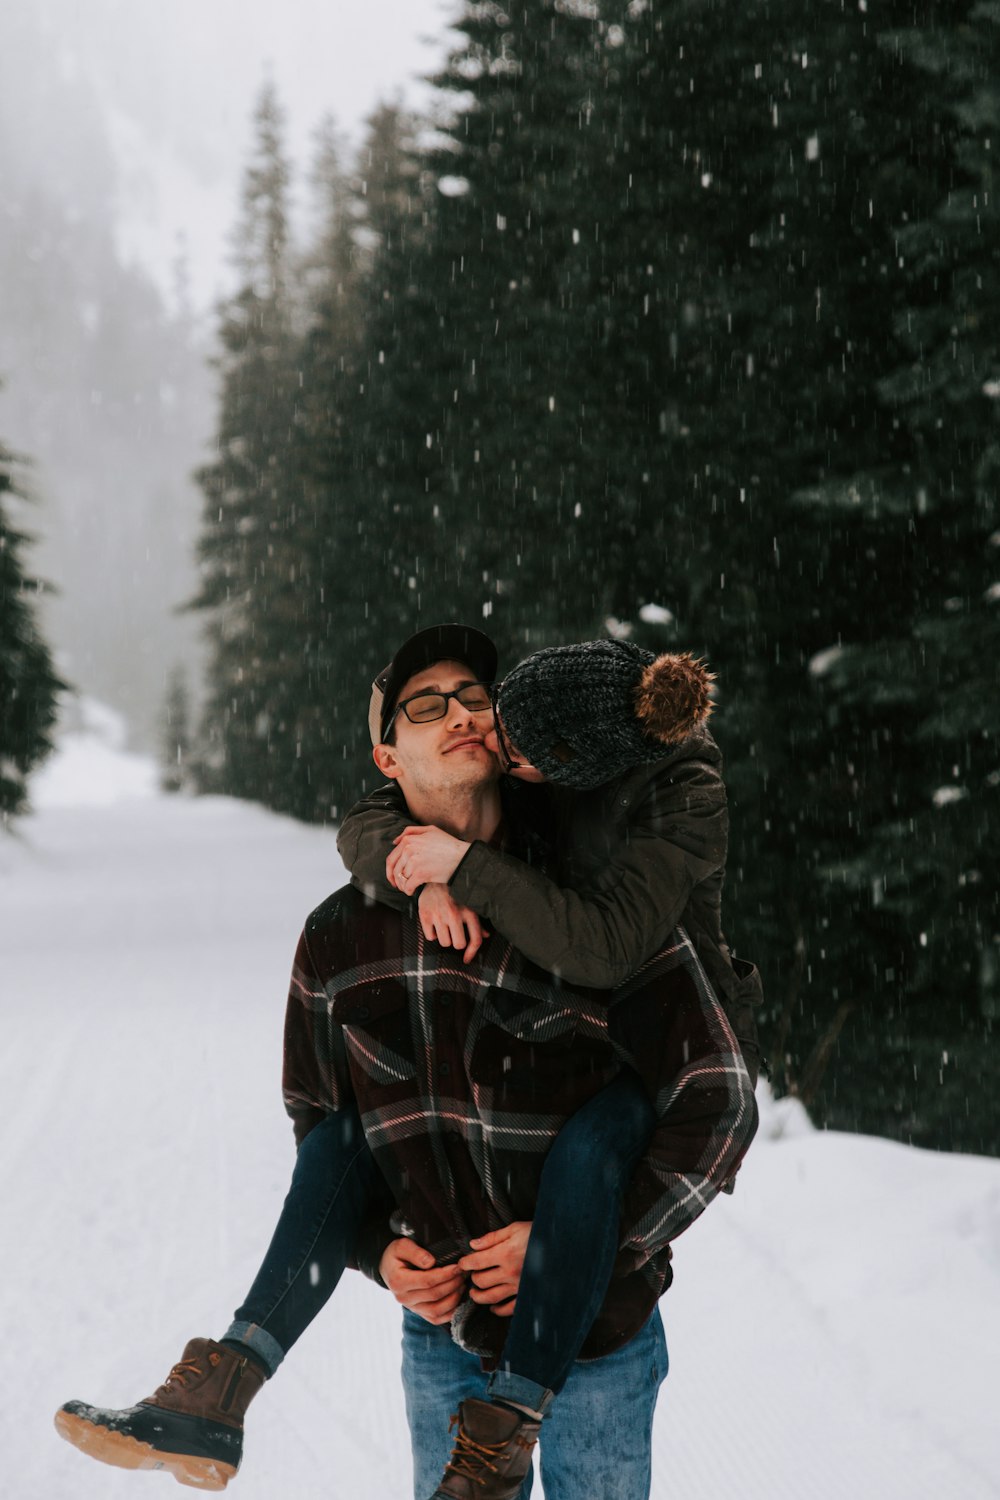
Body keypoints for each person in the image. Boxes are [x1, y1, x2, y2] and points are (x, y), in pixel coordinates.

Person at [55, 625, 756, 1500]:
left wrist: (582, 1246)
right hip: (445, 1335)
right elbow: (321, 1127)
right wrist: (377, 1251)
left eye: (476, 699)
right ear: (386, 758)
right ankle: (225, 1380)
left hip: (597, 1334)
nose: (462, 713)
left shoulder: (590, 895)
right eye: (427, 705)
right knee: (346, 1132)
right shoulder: (341, 933)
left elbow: (716, 1097)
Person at [338, 635, 762, 1085]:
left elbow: (607, 948)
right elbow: (365, 823)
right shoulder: (547, 720)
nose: (492, 744)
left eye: (517, 754)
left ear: (578, 765)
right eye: (498, 711)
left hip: (688, 1048)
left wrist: (463, 867)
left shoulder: (685, 794)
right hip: (588, 1033)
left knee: (589, 1150)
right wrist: (424, 877)